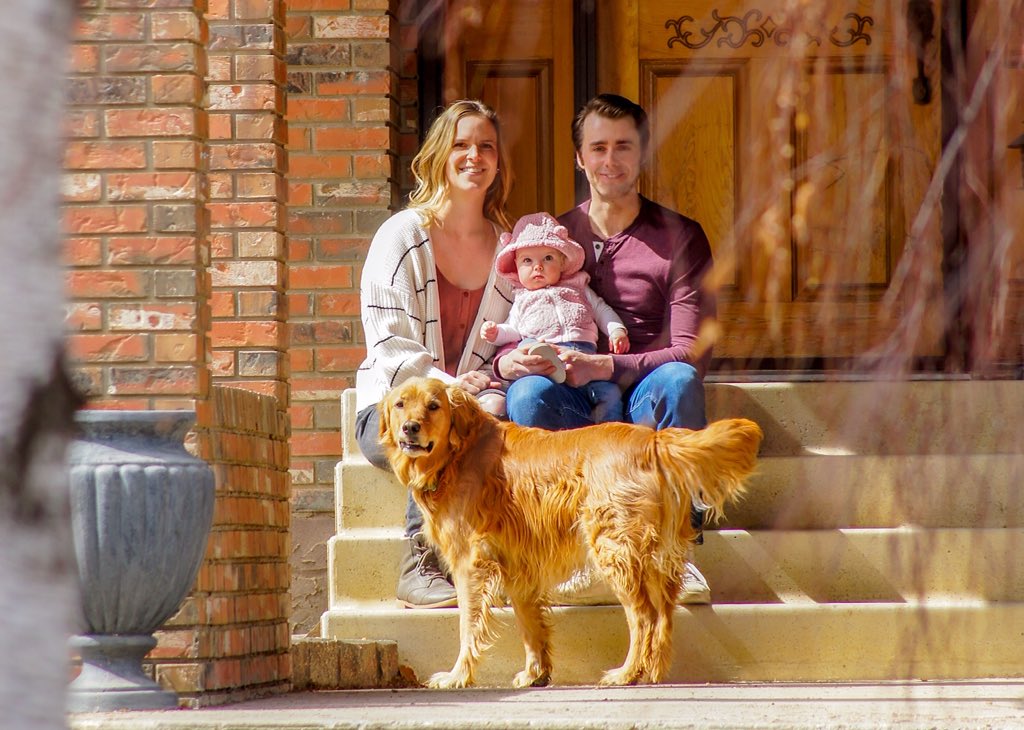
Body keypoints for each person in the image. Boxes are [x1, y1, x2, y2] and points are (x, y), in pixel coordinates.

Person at [496, 93, 717, 604]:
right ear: (579, 157)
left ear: (643, 153)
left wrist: (608, 363)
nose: (610, 160)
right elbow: (500, 328)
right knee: (526, 395)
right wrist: (507, 360)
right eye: (598, 148)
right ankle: (568, 551)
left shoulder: (679, 236)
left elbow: (692, 350)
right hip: (568, 394)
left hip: (641, 392)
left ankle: (677, 548)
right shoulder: (546, 236)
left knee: (681, 381)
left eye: (623, 146)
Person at [354, 100, 515, 608]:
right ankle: (419, 563)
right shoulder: (402, 236)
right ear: (440, 155)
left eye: (486, 146)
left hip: (474, 407)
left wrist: (503, 371)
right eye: (461, 144)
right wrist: (447, 387)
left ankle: (510, 561)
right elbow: (388, 342)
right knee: (434, 432)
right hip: (392, 412)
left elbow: (512, 337)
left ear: (498, 161)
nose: (474, 156)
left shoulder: (511, 249)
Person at [481, 211, 629, 423]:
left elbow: (601, 309)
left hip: (586, 357)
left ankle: (611, 432)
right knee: (531, 350)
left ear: (562, 261)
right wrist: (495, 333)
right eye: (527, 261)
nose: (537, 267)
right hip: (546, 360)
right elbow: (513, 329)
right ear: (516, 266)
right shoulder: (523, 299)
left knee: (610, 394)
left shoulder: (578, 287)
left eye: (547, 258)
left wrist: (617, 330)